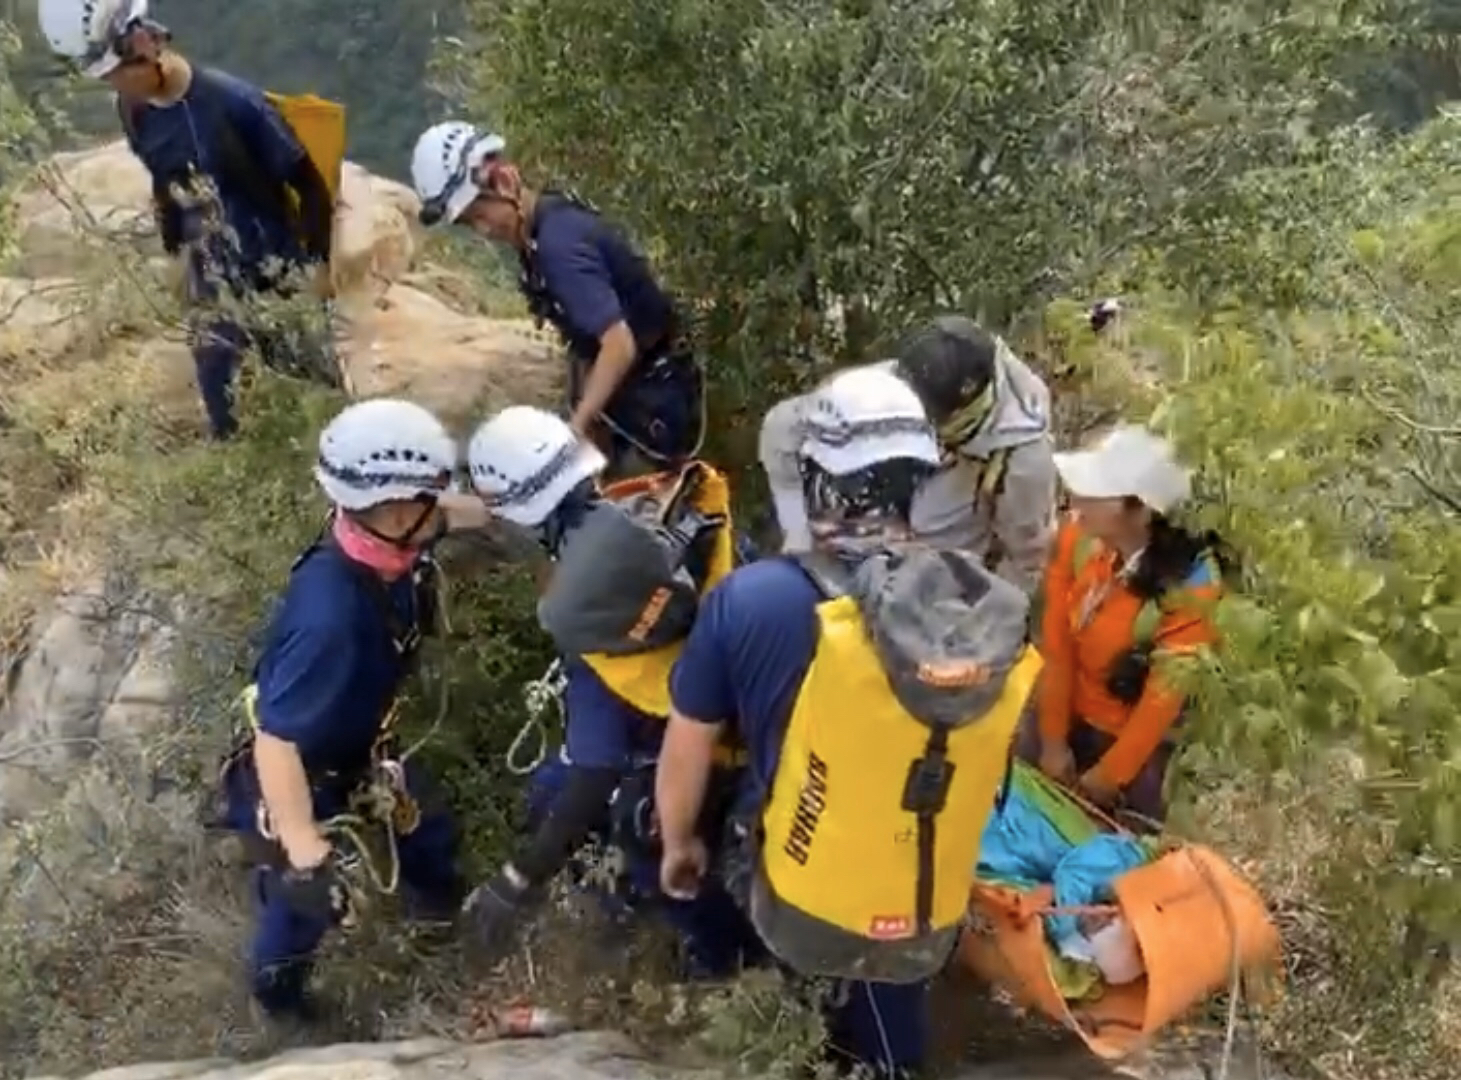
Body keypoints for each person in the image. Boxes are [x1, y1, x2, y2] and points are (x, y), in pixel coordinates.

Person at [655, 366, 1044, 1078]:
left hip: (795, 885)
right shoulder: (966, 608)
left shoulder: (749, 599)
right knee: (889, 1026)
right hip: (915, 892)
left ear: (815, 478)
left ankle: (741, 1001)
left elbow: (684, 754)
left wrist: (679, 848)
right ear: (916, 482)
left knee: (687, 839)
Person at [459, 406, 760, 978]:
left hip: (705, 759)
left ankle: (720, 957)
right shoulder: (682, 518)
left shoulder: (585, 618)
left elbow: (594, 772)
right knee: (557, 782)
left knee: (613, 815)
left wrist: (517, 879)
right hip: (761, 717)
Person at [216, 398, 474, 1024]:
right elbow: (276, 742)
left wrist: (528, 502)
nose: (437, 507)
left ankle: (437, 933)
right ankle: (282, 1008)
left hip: (361, 752)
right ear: (388, 509)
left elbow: (450, 515)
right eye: (426, 497)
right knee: (297, 915)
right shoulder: (329, 620)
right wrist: (305, 849)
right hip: (303, 777)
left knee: (432, 842)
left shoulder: (382, 538)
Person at [38, 0, 336, 441]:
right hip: (212, 275)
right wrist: (175, 249)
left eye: (114, 73)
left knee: (311, 388)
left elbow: (308, 184)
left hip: (275, 268)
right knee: (224, 398)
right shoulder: (135, 111)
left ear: (142, 45)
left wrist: (319, 267)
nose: (113, 84)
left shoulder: (232, 103)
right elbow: (165, 178)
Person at [409, 122, 705, 477]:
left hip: (656, 401)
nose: (484, 230)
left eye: (480, 214)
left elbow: (618, 345)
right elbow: (586, 336)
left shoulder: (558, 247)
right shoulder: (541, 231)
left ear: (504, 181)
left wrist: (576, 428)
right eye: (470, 224)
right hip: (635, 395)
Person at [1020, 424, 1230, 826]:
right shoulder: (1078, 537)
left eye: (1095, 491)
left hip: (1132, 744)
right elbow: (1057, 644)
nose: (1076, 499)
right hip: (1065, 708)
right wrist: (1052, 739)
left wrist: (1107, 776)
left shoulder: (1193, 590)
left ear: (1142, 510)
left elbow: (1160, 704)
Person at [759, 315, 1056, 595]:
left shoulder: (1024, 461)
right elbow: (781, 426)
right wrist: (796, 529)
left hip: (938, 582)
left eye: (926, 420)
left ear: (966, 406)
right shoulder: (879, 385)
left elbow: (1024, 562)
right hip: (861, 549)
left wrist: (981, 631)